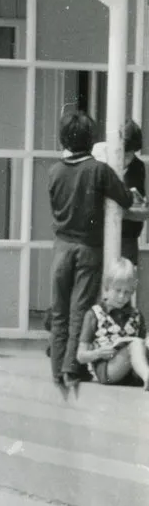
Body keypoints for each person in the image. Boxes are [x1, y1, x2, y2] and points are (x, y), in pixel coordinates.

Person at [48, 111, 133, 399]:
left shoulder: (54, 171)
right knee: (78, 310)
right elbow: (124, 197)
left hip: (61, 247)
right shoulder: (99, 170)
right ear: (91, 139)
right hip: (87, 249)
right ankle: (72, 368)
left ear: (64, 139)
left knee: (58, 310)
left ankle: (56, 368)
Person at [76, 257, 149, 391]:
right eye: (117, 291)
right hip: (108, 371)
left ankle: (145, 375)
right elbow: (80, 356)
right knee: (135, 344)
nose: (122, 297)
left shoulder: (136, 315)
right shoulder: (94, 314)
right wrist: (98, 353)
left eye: (127, 292)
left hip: (132, 372)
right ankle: (147, 377)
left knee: (141, 343)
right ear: (107, 288)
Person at [91, 119, 147, 266]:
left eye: (131, 154)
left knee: (125, 282)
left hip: (127, 237)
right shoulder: (99, 158)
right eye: (124, 153)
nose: (127, 158)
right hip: (99, 236)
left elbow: (140, 205)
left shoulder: (137, 167)